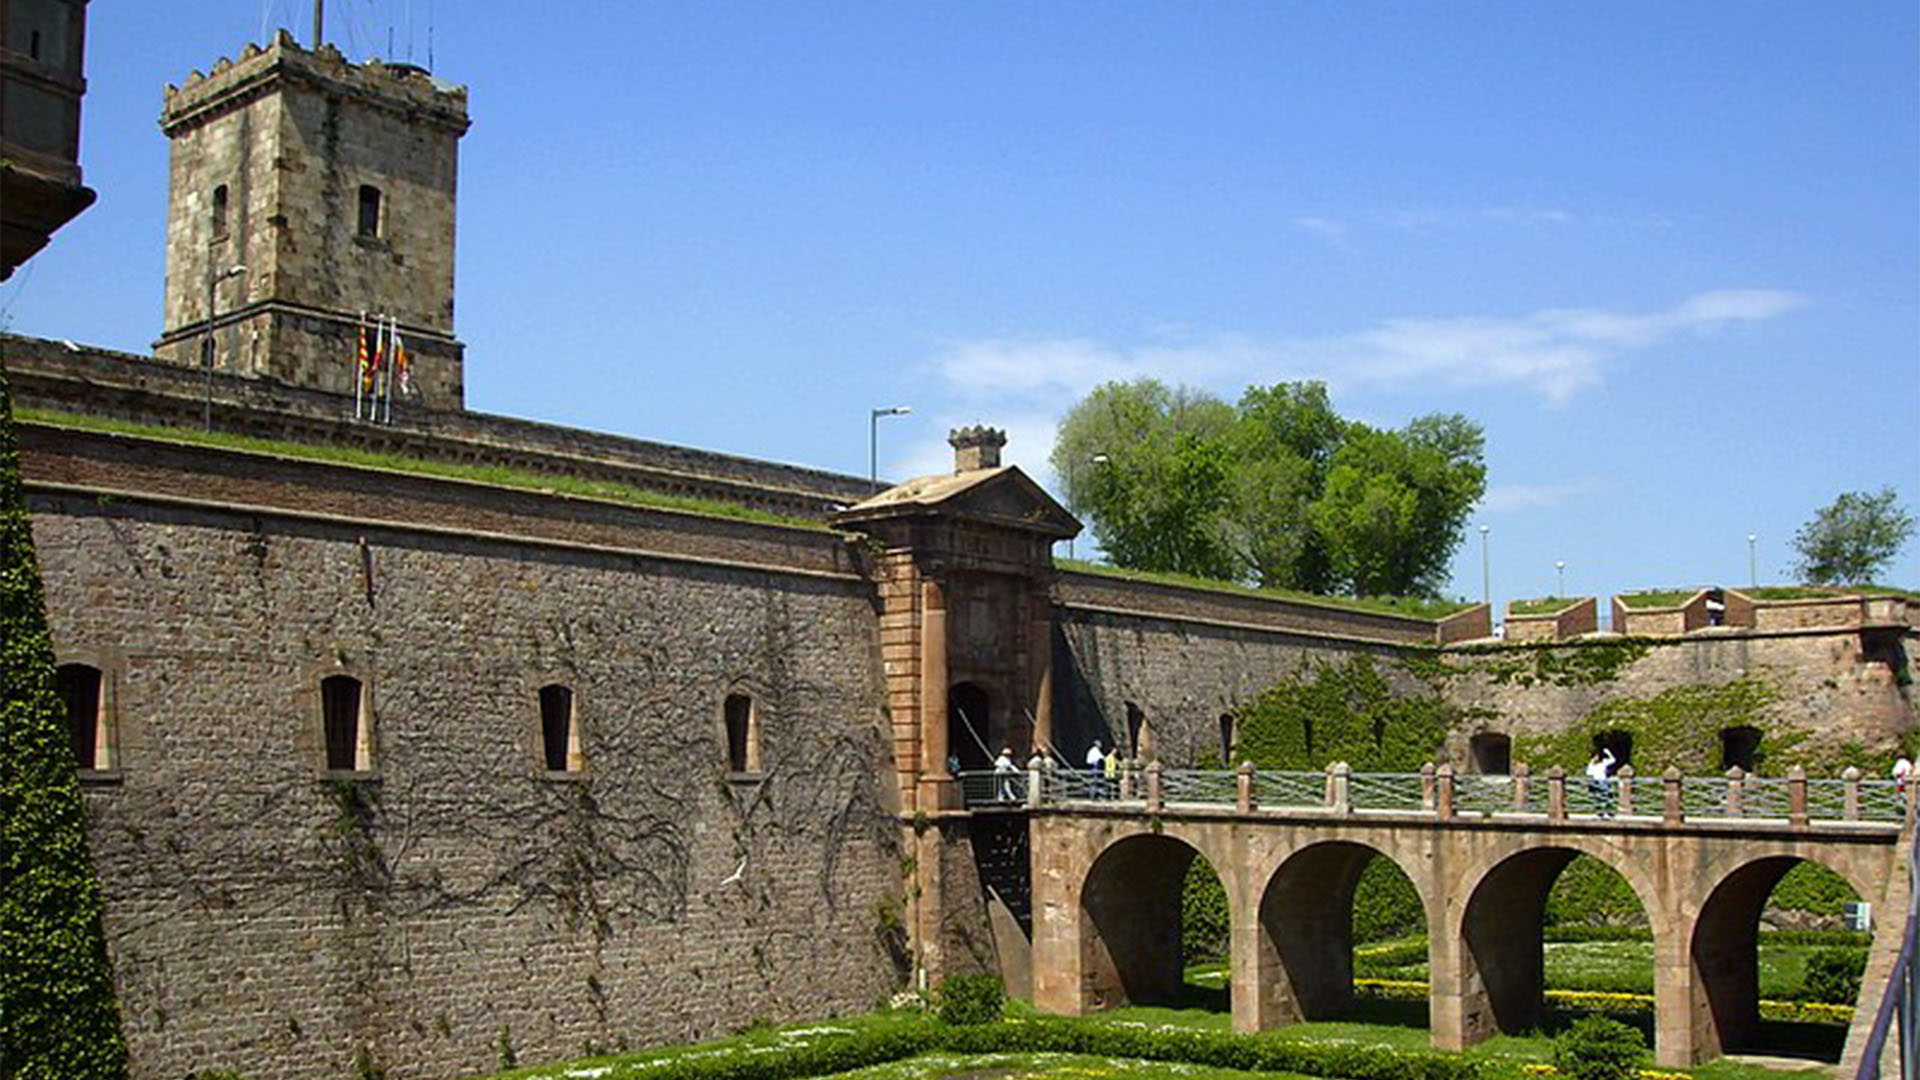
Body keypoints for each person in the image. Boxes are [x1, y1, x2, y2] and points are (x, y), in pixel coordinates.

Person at [1586, 747, 1617, 818]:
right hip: (1596, 782)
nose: (1596, 758)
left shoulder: (1603, 762)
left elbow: (1613, 760)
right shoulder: (1591, 765)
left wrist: (1608, 753)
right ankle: (1600, 813)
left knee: (1607, 797)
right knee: (1599, 798)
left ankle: (1608, 813)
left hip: (1603, 781)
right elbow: (1588, 773)